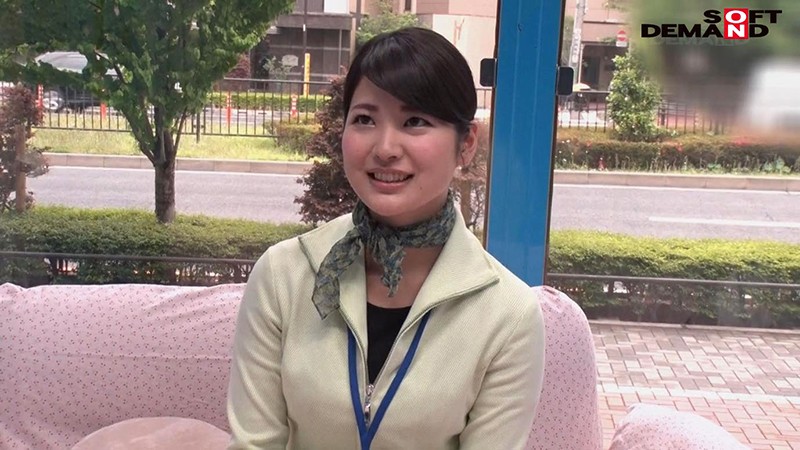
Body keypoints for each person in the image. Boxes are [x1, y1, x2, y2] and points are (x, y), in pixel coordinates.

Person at [227, 27, 545, 450]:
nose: (385, 148)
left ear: (466, 144)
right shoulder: (283, 276)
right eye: (365, 119)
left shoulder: (508, 314)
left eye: (415, 121)